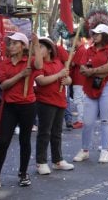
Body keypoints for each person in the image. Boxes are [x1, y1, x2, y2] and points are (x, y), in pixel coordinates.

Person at [0, 31, 41, 190]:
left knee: (25, 140)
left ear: (23, 46)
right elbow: (3, 85)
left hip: (28, 105)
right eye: (10, 43)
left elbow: (40, 66)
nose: (11, 46)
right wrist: (21, 75)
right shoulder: (5, 63)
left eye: (15, 43)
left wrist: (37, 43)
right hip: (10, 106)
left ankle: (23, 173)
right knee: (4, 141)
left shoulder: (30, 61)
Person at [73, 24, 108, 164]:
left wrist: (92, 71)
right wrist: (90, 70)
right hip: (91, 86)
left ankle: (105, 150)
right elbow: (82, 66)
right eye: (93, 33)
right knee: (87, 121)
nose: (94, 35)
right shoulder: (90, 50)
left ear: (105, 35)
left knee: (106, 120)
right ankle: (85, 150)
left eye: (97, 33)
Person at [33, 36, 74, 175]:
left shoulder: (58, 62)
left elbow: (68, 79)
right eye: (37, 48)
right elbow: (41, 81)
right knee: (44, 132)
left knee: (57, 133)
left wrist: (67, 79)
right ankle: (41, 162)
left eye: (41, 47)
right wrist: (59, 75)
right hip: (45, 102)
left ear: (50, 50)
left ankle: (58, 160)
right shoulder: (38, 64)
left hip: (60, 101)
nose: (38, 50)